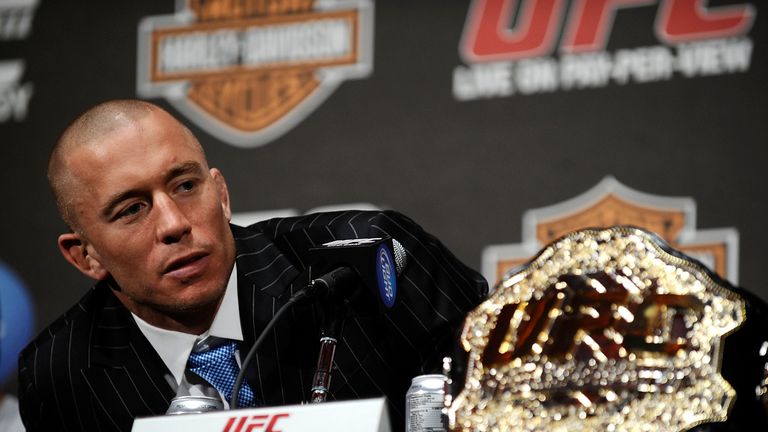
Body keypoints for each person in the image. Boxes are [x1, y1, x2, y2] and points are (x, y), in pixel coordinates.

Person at [17, 100, 488, 431]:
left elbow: (508, 399)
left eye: (184, 186)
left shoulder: (370, 261)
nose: (174, 224)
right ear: (86, 256)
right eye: (132, 209)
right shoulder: (61, 373)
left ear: (220, 194)